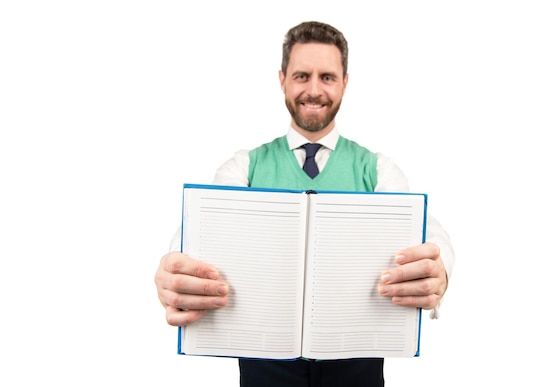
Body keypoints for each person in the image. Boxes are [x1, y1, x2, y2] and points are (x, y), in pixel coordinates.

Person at [155, 20, 455, 387]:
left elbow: (425, 228)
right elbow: (199, 231)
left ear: (345, 82)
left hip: (356, 365)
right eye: (302, 76)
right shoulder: (244, 166)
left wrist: (439, 266)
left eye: (327, 77)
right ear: (282, 79)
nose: (314, 90)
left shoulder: (377, 169)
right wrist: (175, 266)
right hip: (265, 366)